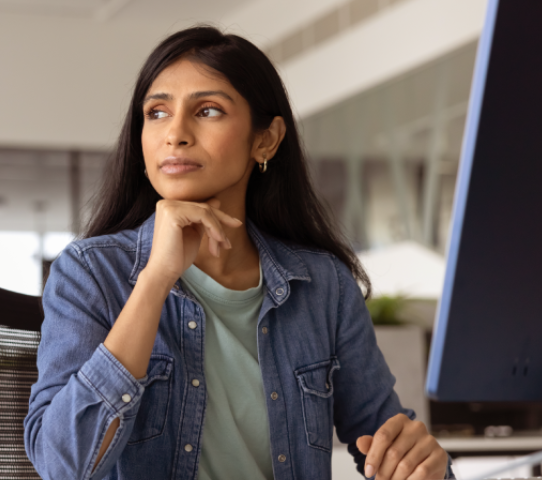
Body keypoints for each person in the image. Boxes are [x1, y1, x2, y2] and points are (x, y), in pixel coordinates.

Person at [23, 26, 453, 480]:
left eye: (207, 110)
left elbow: (389, 442)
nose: (175, 133)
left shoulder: (324, 286)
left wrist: (422, 465)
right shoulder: (90, 273)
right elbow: (61, 466)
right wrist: (155, 280)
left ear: (265, 140)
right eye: (157, 112)